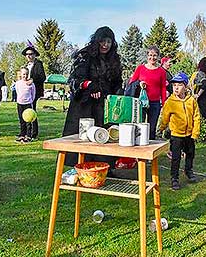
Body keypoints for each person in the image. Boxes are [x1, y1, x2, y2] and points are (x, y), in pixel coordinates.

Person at [62, 26, 123, 167]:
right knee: (84, 134)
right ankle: (79, 166)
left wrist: (118, 92)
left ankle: (105, 166)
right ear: (97, 41)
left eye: (108, 41)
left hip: (105, 104)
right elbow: (75, 79)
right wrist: (89, 85)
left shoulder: (114, 59)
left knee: (104, 135)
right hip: (84, 104)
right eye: (102, 41)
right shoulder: (84, 55)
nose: (105, 45)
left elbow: (116, 80)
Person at [159, 72, 200, 190]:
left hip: (189, 134)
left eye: (179, 85)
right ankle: (174, 178)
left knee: (190, 154)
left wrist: (195, 132)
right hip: (176, 135)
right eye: (174, 85)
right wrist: (161, 128)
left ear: (185, 86)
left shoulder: (191, 101)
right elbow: (165, 117)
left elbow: (196, 117)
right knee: (176, 157)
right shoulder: (170, 102)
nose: (176, 88)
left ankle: (189, 171)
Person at [129, 46, 167, 139]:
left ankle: (151, 149)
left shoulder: (161, 71)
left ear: (158, 57)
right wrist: (140, 83)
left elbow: (163, 87)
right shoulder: (140, 68)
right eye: (150, 55)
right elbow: (131, 83)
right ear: (147, 56)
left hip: (155, 103)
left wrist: (164, 102)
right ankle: (139, 148)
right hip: (141, 102)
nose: (152, 58)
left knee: (152, 128)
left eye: (155, 55)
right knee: (139, 126)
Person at [22, 42, 46, 139]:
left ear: (35, 55)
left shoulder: (38, 64)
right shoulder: (25, 66)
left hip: (34, 91)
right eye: (27, 54)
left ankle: (33, 133)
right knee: (24, 111)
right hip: (26, 92)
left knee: (31, 111)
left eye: (31, 54)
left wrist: (33, 80)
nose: (29, 56)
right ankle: (24, 132)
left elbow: (42, 77)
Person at [15, 68, 36, 143]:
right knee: (21, 120)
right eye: (24, 74)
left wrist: (30, 101)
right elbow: (17, 92)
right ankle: (22, 134)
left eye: (27, 74)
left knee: (28, 121)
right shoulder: (18, 83)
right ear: (21, 74)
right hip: (20, 103)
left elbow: (33, 94)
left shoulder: (31, 84)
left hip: (28, 104)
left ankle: (28, 135)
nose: (25, 76)